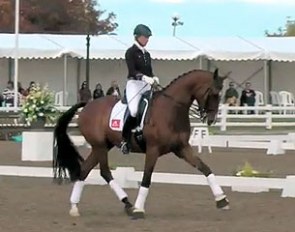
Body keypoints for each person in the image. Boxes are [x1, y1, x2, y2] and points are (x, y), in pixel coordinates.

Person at [120, 24, 160, 154]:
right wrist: (143, 77)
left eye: (148, 38)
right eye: (145, 37)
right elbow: (132, 71)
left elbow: (150, 71)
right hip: (134, 85)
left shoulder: (147, 54)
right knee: (134, 110)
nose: (147, 40)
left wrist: (154, 77)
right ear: (137, 37)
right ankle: (124, 140)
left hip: (147, 85)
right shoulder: (130, 52)